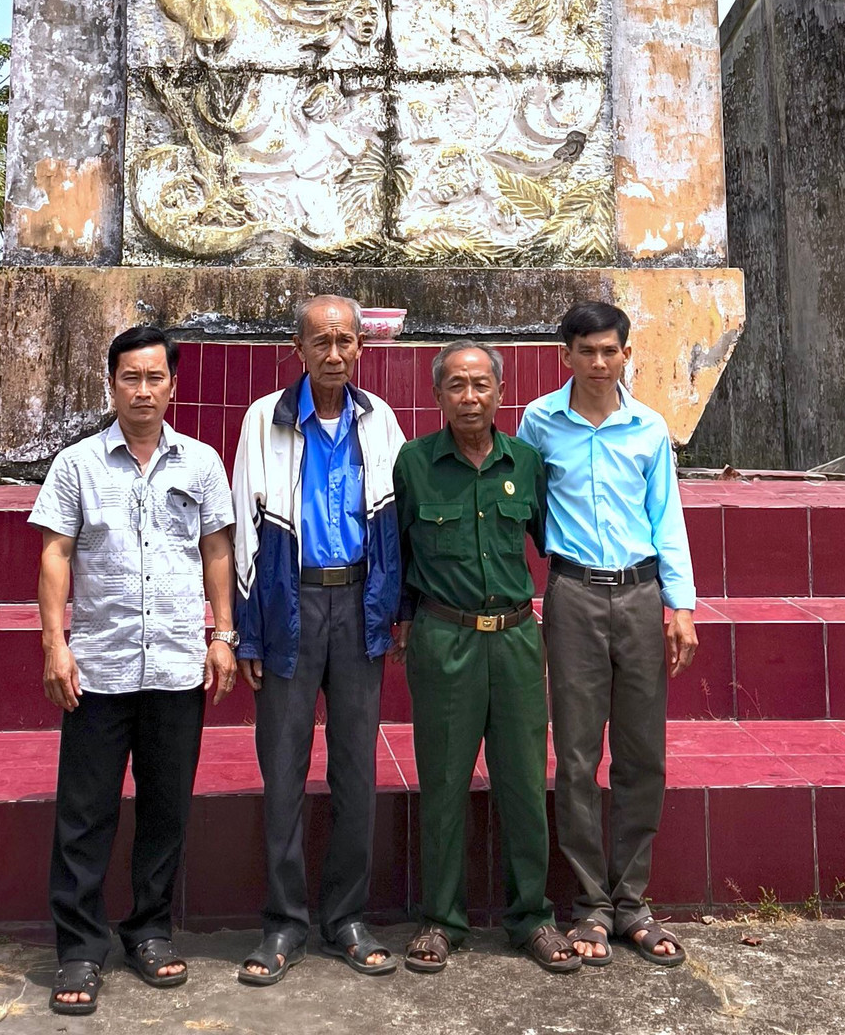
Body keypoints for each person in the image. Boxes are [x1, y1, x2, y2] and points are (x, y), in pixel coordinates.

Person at [31, 324, 239, 1017]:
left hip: (179, 663)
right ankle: (81, 947)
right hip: (101, 666)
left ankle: (149, 930)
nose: (143, 390)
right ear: (111, 383)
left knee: (165, 810)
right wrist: (56, 646)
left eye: (155, 377)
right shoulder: (77, 465)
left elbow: (216, 551)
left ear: (172, 386)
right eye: (131, 377)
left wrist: (223, 635)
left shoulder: (203, 464)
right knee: (85, 814)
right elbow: (56, 555)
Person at [230, 294, 405, 986]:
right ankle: (283, 922)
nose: (334, 353)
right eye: (320, 342)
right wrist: (247, 630)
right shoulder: (262, 420)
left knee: (356, 771)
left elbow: (394, 522)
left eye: (345, 341)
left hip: (358, 603)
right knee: (283, 770)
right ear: (297, 348)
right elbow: (246, 521)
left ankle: (347, 918)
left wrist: (390, 607)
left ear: (362, 347)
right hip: (288, 603)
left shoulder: (379, 420)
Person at [517, 301, 696, 969]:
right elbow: (526, 503)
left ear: (626, 355)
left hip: (641, 591)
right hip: (573, 595)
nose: (599, 362)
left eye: (610, 351)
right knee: (576, 755)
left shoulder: (648, 428)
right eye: (586, 350)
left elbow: (666, 516)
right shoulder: (540, 422)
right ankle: (590, 903)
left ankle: (633, 903)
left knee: (642, 753)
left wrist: (681, 605)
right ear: (566, 355)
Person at [392, 342, 579, 977]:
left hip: (518, 639)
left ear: (500, 393)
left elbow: (557, 538)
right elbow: (395, 554)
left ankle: (532, 917)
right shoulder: (414, 463)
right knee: (444, 782)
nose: (469, 397)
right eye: (456, 386)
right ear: (438, 394)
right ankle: (441, 920)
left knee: (525, 780)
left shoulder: (525, 462)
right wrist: (400, 622)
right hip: (444, 640)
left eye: (481, 385)